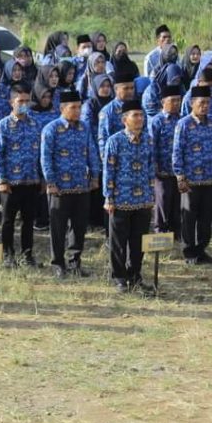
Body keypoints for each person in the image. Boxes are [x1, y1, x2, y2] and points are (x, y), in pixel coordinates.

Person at [41, 90, 99, 278]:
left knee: (79, 227)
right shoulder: (52, 129)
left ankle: (75, 262)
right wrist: (50, 182)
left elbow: (91, 152)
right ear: (62, 108)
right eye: (73, 108)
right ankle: (58, 263)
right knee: (58, 228)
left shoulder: (84, 127)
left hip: (81, 186)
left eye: (79, 107)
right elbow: (46, 158)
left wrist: (95, 176)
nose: (77, 111)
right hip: (59, 188)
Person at [103, 99, 156, 293]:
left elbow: (151, 169)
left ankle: (135, 275)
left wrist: (151, 195)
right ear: (125, 119)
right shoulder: (115, 141)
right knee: (118, 242)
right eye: (136, 115)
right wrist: (108, 197)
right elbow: (109, 171)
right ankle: (119, 277)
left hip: (142, 199)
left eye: (141, 115)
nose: (140, 119)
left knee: (138, 242)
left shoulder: (148, 140)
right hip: (120, 199)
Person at [0, 83, 42, 268]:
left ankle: (27, 255)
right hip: (11, 182)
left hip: (31, 181)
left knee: (28, 221)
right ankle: (8, 255)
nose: (24, 104)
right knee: (8, 221)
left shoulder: (35, 124)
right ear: (11, 102)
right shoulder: (2, 126)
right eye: (20, 101)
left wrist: (42, 178)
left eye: (27, 101)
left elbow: (40, 154)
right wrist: (1, 180)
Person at [173, 85, 212, 265]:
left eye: (208, 103)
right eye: (201, 103)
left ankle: (201, 250)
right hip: (191, 180)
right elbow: (177, 151)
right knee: (189, 218)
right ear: (192, 103)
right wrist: (180, 176)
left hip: (209, 178)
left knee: (206, 218)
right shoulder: (183, 124)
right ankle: (189, 252)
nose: (205, 106)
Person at [149, 84, 183, 235]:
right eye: (173, 100)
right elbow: (151, 145)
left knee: (177, 202)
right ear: (163, 102)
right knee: (162, 201)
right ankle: (160, 231)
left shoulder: (182, 120)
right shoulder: (156, 121)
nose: (176, 104)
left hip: (179, 171)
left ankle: (176, 231)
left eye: (178, 100)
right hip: (162, 170)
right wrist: (154, 166)